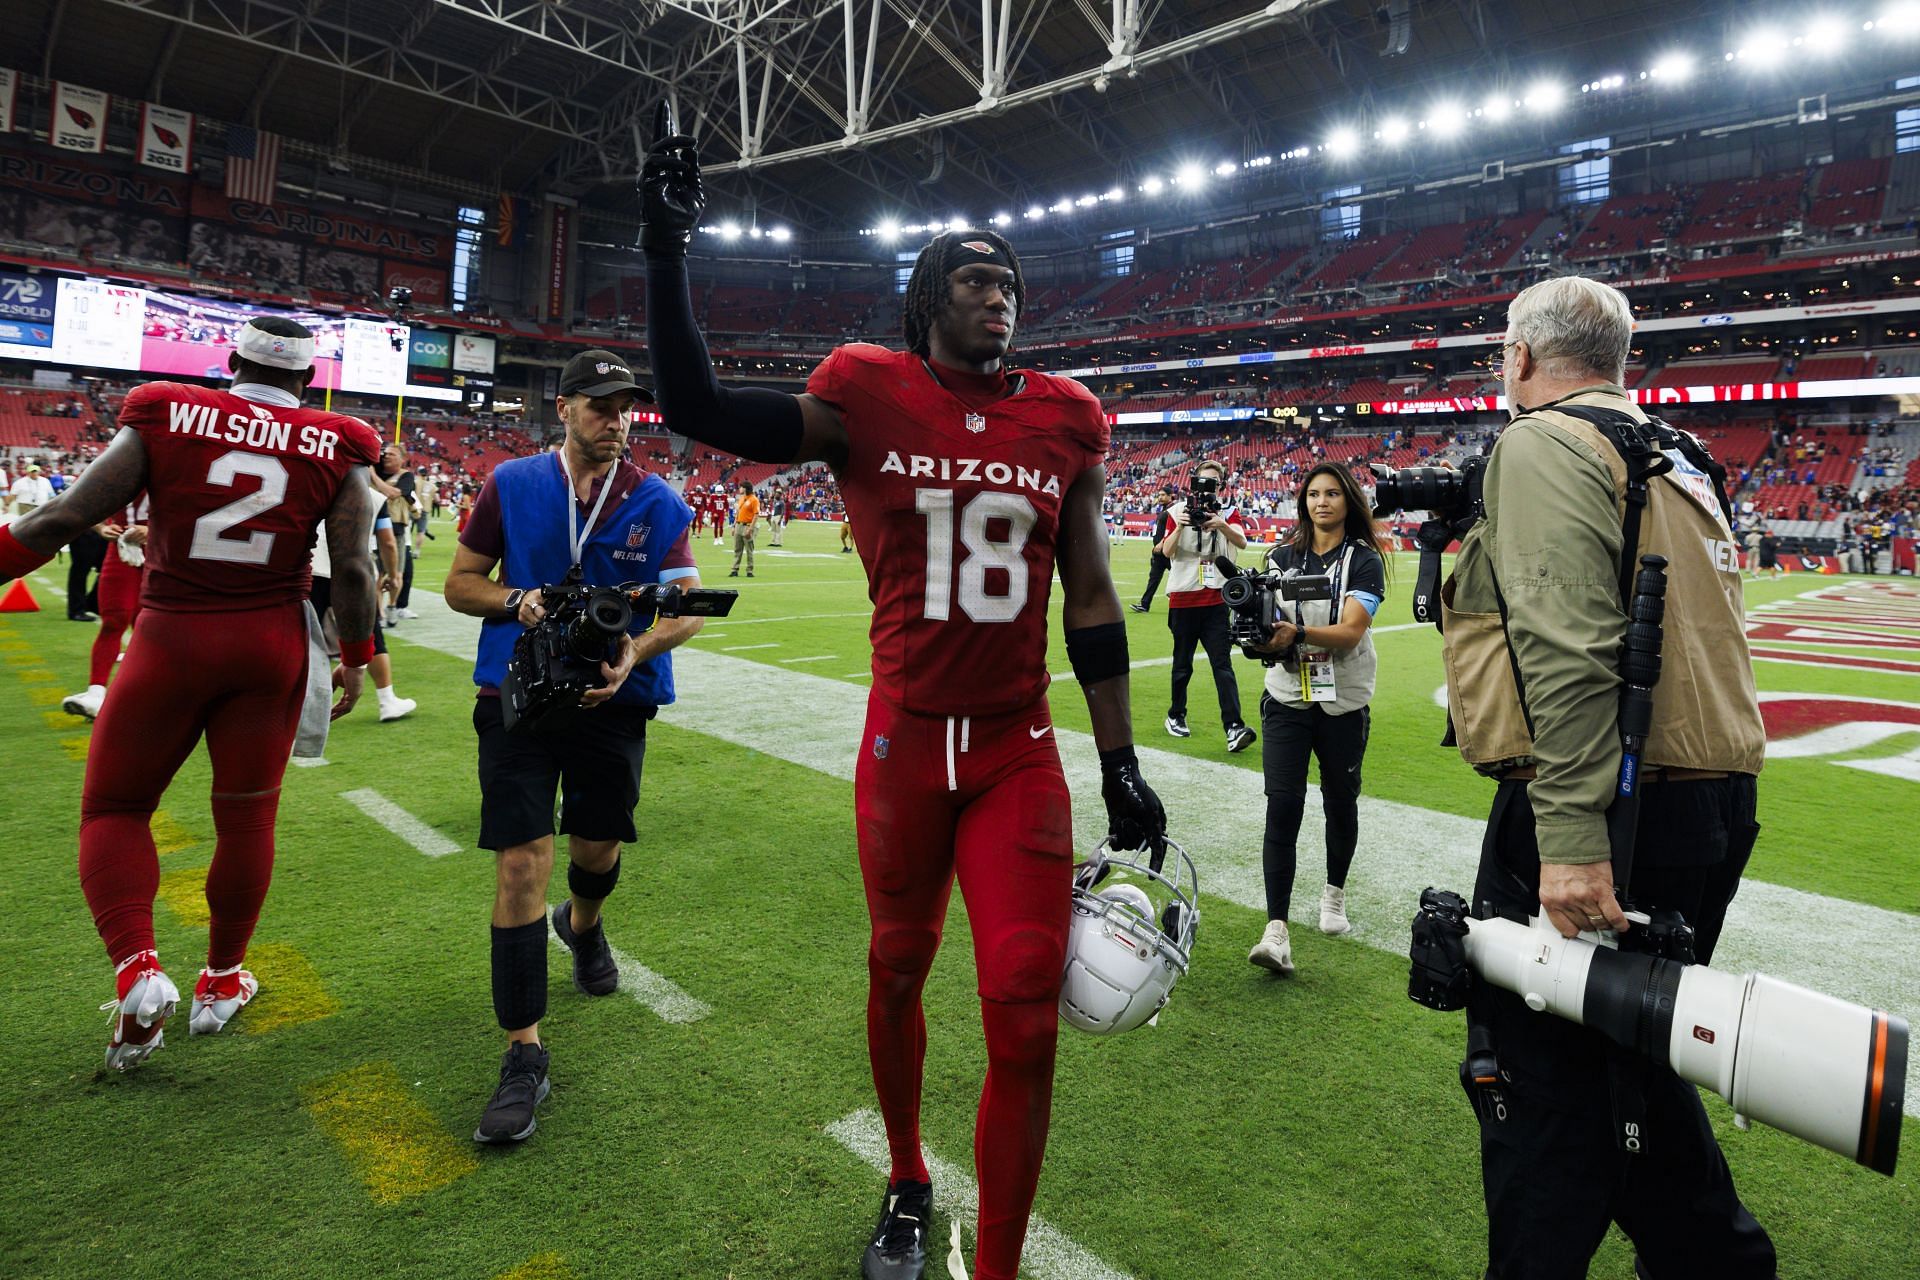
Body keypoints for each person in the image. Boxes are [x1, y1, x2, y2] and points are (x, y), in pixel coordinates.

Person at [641, 110, 1166, 1280]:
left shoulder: (1065, 418)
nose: (1001, 298)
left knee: (1027, 1009)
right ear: (927, 299)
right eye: (976, 281)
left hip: (1015, 747)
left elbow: (1089, 594)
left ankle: (1000, 1264)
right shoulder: (867, 393)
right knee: (895, 962)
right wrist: (665, 253)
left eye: (1011, 284)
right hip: (905, 740)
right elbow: (702, 411)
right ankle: (908, 1171)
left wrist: (1122, 757)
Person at [1443, 276, 1774, 1278]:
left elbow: (1567, 646)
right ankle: (1721, 1261)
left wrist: (1575, 838)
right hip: (1710, 794)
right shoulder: (1678, 450)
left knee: (1539, 1083)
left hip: (1612, 803)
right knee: (1626, 1059)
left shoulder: (1544, 440)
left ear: (1522, 354)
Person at [0, 316, 381, 1069]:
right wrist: (359, 656)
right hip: (269, 647)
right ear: (307, 382)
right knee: (245, 823)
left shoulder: (166, 411)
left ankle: (140, 970)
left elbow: (63, 517)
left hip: (172, 636)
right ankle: (221, 981)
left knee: (115, 807)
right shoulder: (338, 442)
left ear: (230, 361)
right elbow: (356, 567)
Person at [444, 348, 703, 1146]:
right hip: (517, 698)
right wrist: (517, 599)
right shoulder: (512, 484)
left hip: (612, 702)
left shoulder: (656, 500)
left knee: (595, 847)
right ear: (564, 409)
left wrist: (636, 652)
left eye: (625, 407)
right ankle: (523, 1051)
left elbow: (689, 607)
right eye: (600, 406)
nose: (617, 420)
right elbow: (460, 583)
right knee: (523, 859)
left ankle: (583, 926)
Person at [1244, 464, 1387, 975]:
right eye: (1313, 494)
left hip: (1342, 698)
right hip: (1286, 695)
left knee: (1339, 801)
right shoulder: (1279, 557)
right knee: (1282, 804)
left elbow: (1350, 633)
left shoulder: (1365, 561)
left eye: (1331, 493)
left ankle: (1333, 895)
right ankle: (1276, 928)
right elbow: (1263, 622)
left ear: (1348, 500)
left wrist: (1294, 635)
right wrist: (1260, 637)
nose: (1321, 502)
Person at [1158, 460, 1256, 753]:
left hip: (1215, 599)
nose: (1207, 487)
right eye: (1203, 480)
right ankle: (1176, 714)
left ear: (1221, 485)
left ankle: (1234, 726)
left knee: (1222, 665)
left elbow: (1242, 542)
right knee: (1182, 664)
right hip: (1184, 596)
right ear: (1194, 482)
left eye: (1213, 481)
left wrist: (1221, 524)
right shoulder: (1176, 510)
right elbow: (1166, 550)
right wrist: (1183, 524)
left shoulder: (1227, 511)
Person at [62, 495, 149, 721]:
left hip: (164, 551)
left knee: (155, 626)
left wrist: (154, 530)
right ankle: (96, 694)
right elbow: (84, 505)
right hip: (122, 550)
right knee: (114, 620)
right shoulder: (118, 466)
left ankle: (159, 693)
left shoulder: (177, 465)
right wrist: (101, 527)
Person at [1128, 485, 1174, 613]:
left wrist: (1162, 542)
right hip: (1158, 553)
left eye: (1163, 495)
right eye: (1159, 495)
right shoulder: (1163, 510)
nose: (1160, 497)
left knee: (1178, 576)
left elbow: (1173, 530)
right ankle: (1144, 605)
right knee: (1153, 579)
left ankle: (1177, 598)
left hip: (1168, 551)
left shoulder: (1173, 510)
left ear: (1171, 496)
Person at [729, 479, 759, 577]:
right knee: (737, 549)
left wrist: (750, 529)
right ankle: (735, 569)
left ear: (745, 488)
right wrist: (734, 526)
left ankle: (749, 570)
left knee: (749, 549)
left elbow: (756, 514)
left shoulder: (754, 499)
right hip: (739, 525)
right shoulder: (741, 498)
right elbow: (738, 513)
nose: (739, 489)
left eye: (741, 487)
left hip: (747, 525)